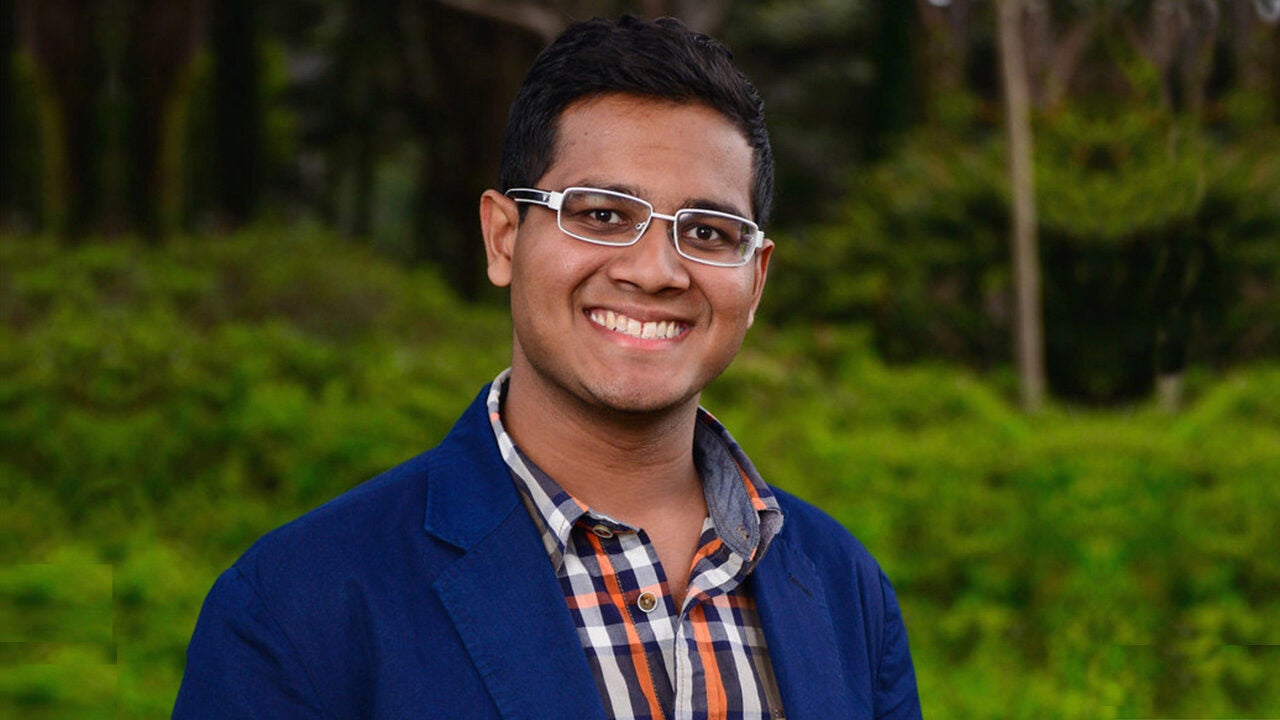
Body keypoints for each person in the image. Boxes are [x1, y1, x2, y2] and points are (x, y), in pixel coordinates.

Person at [174, 15, 921, 720]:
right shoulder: (295, 606)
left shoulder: (845, 588)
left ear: (754, 280)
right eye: (601, 215)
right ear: (503, 238)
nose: (656, 270)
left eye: (706, 231)